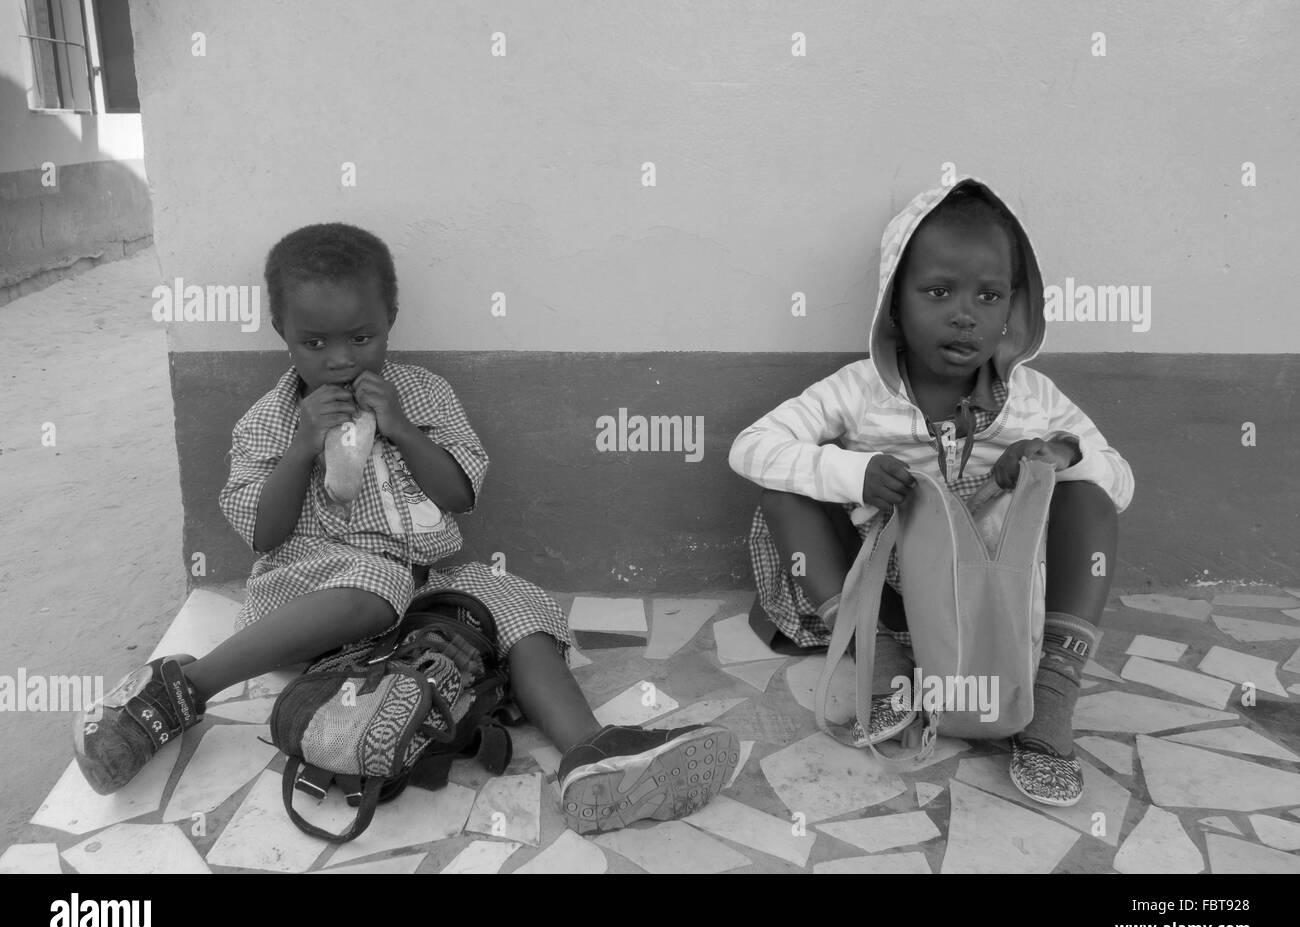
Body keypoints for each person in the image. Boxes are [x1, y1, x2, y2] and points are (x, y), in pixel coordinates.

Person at [74, 222, 738, 834]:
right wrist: (303, 445)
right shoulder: (269, 421)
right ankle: (181, 688)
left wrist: (399, 430)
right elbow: (265, 533)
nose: (339, 360)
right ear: (281, 331)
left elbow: (459, 494)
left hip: (424, 584)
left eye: (360, 338)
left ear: (390, 320)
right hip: (312, 584)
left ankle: (590, 754)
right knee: (376, 574)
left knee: (517, 601)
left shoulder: (421, 395)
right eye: (315, 343)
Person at [729, 180, 1133, 806]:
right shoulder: (859, 391)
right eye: (938, 291)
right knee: (784, 492)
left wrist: (1055, 458)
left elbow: (1121, 480)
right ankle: (882, 663)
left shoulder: (1034, 401)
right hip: (885, 599)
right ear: (895, 304)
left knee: (1088, 495)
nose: (965, 313)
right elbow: (750, 447)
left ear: (1013, 310)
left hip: (993, 604)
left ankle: (1052, 695)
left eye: (989, 295)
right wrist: (851, 473)